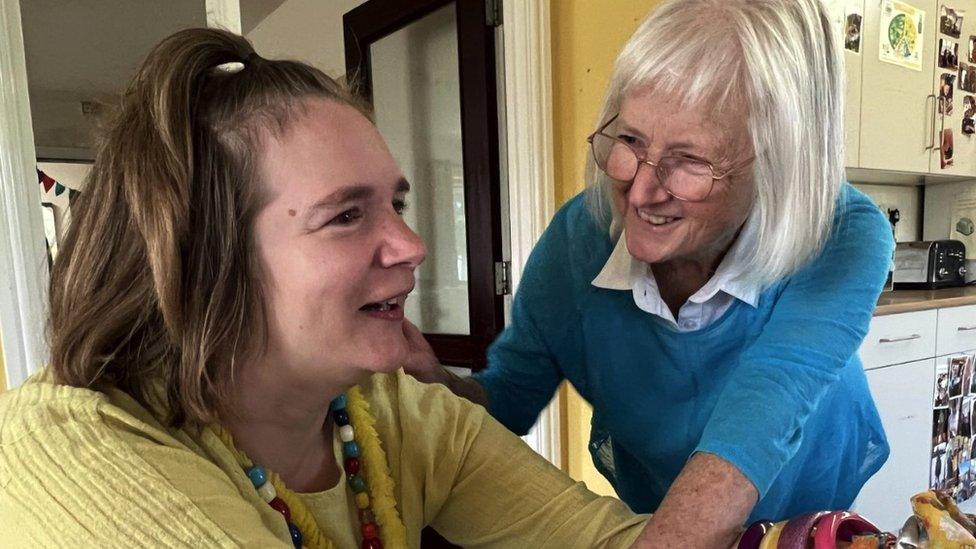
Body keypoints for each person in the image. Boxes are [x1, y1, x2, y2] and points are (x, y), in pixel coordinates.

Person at [0, 29, 651, 548]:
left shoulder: (390, 412)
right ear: (203, 257)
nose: (412, 244)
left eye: (396, 203)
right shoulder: (72, 455)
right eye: (345, 215)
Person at [404, 0, 895, 547]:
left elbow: (762, 411)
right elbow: (512, 397)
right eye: (630, 141)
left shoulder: (841, 235)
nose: (639, 193)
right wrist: (439, 388)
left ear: (779, 164)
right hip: (662, 497)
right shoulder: (578, 238)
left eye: (689, 161)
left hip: (809, 482)